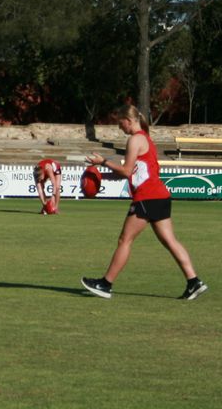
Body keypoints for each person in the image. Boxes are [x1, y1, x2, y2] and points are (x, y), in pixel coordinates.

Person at [80, 104, 209, 301]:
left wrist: (103, 162)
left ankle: (105, 284)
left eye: (120, 123)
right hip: (160, 196)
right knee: (170, 241)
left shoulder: (135, 139)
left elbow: (126, 171)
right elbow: (132, 174)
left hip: (148, 197)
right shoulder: (145, 139)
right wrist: (102, 177)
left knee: (125, 240)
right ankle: (194, 282)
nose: (119, 127)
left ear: (129, 120)